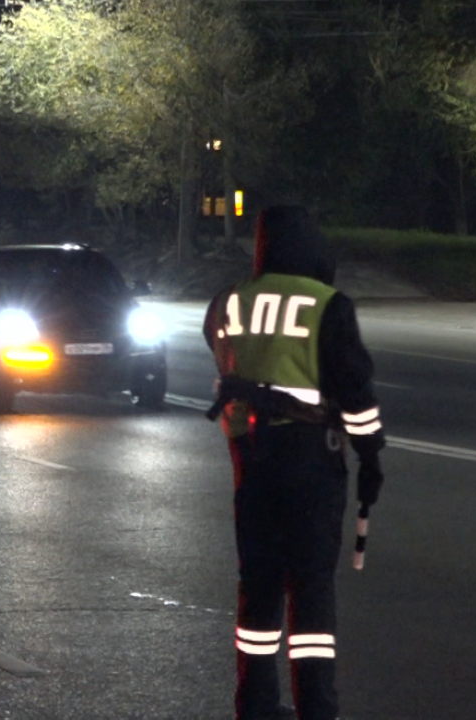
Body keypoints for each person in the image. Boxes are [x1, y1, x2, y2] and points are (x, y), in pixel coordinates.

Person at [204, 205, 386, 720]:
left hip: (252, 463)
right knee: (310, 592)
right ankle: (316, 708)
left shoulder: (229, 302)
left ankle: (256, 705)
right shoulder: (328, 304)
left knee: (258, 589)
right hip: (311, 463)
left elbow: (223, 356)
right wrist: (371, 457)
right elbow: (355, 392)